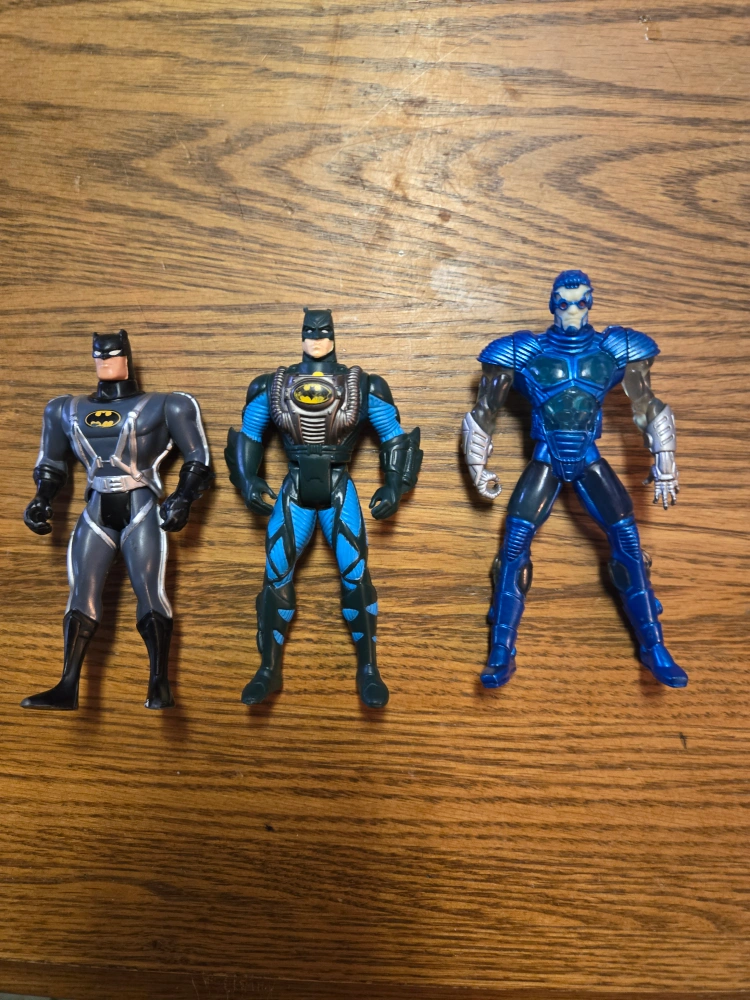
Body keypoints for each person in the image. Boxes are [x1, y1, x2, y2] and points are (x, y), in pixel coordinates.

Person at [462, 270, 686, 689]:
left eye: (581, 302)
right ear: (552, 303)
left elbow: (648, 405)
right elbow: (484, 412)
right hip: (545, 458)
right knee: (513, 547)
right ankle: (500, 651)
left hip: (587, 457)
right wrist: (478, 466)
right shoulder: (521, 351)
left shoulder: (615, 349)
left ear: (591, 303)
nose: (572, 310)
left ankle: (654, 645)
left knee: (629, 544)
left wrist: (666, 463)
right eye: (564, 302)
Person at [226, 308, 422, 708]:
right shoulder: (273, 384)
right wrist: (248, 479)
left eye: (323, 331)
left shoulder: (362, 385)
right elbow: (249, 433)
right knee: (276, 572)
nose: (316, 338)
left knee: (355, 572)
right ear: (301, 335)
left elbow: (393, 436)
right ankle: (268, 669)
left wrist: (394, 485)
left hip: (337, 486)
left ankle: (369, 669)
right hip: (295, 485)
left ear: (333, 335)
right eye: (310, 331)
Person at [23, 329, 212, 710]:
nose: (105, 361)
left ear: (126, 356)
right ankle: (67, 684)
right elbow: (51, 463)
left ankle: (159, 682)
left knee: (150, 590)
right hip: (96, 505)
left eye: (112, 354)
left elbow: (198, 460)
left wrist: (183, 497)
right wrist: (42, 497)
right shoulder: (64, 409)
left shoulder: (166, 405)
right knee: (81, 591)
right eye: (100, 355)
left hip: (140, 501)